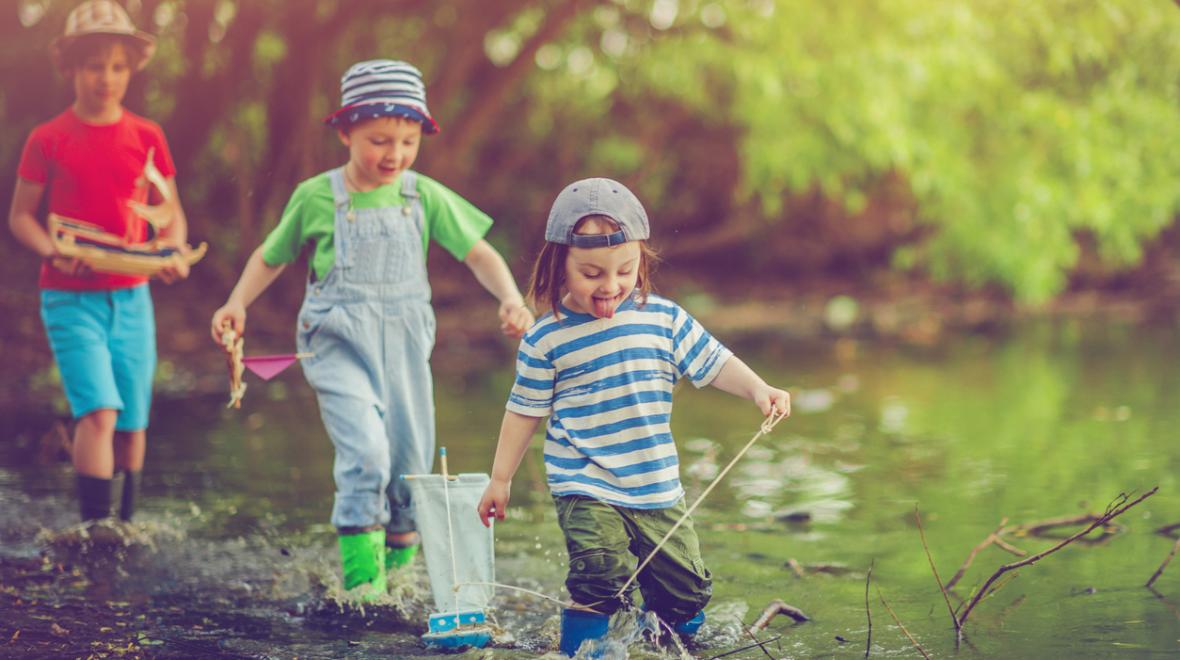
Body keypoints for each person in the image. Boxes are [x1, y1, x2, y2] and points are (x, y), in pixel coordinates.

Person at [209, 59, 534, 600]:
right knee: (366, 455)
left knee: (409, 470)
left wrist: (509, 298)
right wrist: (236, 303)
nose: (395, 155)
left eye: (408, 142)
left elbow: (478, 253)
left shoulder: (423, 195)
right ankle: (362, 591)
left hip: (405, 351)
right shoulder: (317, 196)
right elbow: (271, 256)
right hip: (335, 346)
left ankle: (398, 586)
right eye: (380, 140)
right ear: (345, 131)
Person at [476, 178, 791, 655]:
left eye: (625, 270)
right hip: (583, 481)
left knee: (685, 593)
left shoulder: (664, 319)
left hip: (654, 483)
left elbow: (715, 360)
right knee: (599, 572)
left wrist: (758, 389)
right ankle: (582, 648)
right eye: (592, 273)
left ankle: (665, 640)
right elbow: (523, 412)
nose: (611, 286)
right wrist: (500, 479)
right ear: (559, 265)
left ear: (641, 261)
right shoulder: (546, 339)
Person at [8, 0, 191, 524]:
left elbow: (171, 218)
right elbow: (22, 217)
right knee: (101, 412)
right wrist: (54, 254)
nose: (105, 78)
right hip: (69, 299)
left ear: (131, 69)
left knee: (132, 423)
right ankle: (94, 532)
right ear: (70, 68)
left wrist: (173, 252)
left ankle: (125, 530)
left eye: (116, 66)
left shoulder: (148, 135)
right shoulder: (48, 138)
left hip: (133, 297)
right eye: (94, 66)